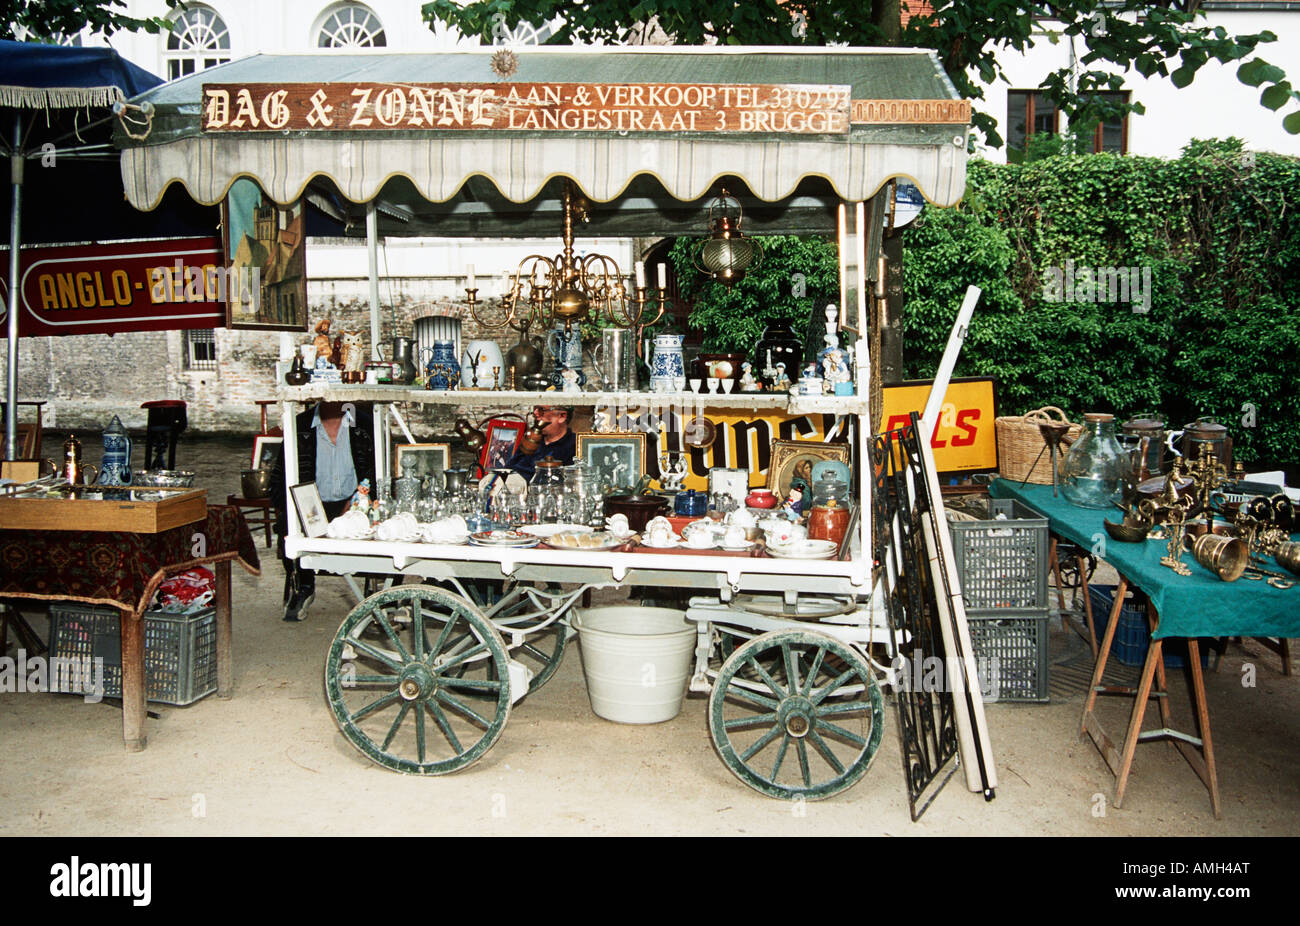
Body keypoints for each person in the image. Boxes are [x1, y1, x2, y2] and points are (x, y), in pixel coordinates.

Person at [271, 401, 376, 622]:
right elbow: (278, 479)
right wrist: (302, 504)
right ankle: (304, 585)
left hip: (355, 503)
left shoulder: (364, 422)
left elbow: (378, 471)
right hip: (312, 506)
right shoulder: (299, 423)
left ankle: (376, 589)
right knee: (287, 523)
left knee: (385, 522)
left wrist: (358, 500)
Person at [506, 405, 575, 480]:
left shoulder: (574, 445)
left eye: (542, 410)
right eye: (535, 409)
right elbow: (508, 468)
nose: (535, 413)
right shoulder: (530, 438)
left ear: (562, 416)